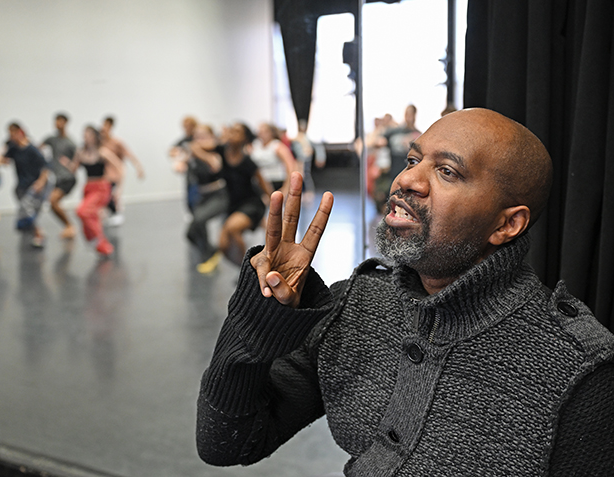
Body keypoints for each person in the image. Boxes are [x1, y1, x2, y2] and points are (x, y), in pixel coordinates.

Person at [196, 108, 614, 476]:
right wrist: (259, 318)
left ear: (507, 224)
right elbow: (228, 444)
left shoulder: (577, 367)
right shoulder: (358, 304)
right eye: (413, 159)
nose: (407, 178)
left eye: (447, 171)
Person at [193, 123, 271, 271]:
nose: (232, 133)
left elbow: (265, 185)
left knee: (232, 228)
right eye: (231, 130)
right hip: (233, 205)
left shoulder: (248, 162)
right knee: (222, 246)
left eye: (237, 132)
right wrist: (208, 158)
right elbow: (195, 147)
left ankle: (248, 270)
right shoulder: (221, 150)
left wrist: (273, 204)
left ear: (244, 139)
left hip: (251, 204)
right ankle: (246, 269)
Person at [0, 122, 50, 248]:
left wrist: (41, 182)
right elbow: (3, 160)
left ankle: (38, 235)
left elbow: (45, 167)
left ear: (20, 133)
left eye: (12, 134)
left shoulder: (32, 149)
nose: (10, 137)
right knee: (26, 211)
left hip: (34, 186)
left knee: (28, 211)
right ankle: (35, 233)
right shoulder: (13, 149)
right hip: (21, 186)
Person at [71, 126, 122, 256]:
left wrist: (117, 188)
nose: (86, 137)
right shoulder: (81, 152)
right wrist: (66, 164)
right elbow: (73, 169)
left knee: (82, 211)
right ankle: (98, 243)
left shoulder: (102, 152)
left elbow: (118, 166)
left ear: (95, 137)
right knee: (91, 215)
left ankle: (97, 240)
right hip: (88, 187)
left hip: (101, 187)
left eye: (89, 135)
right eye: (84, 135)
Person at [185, 124, 229, 272]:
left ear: (211, 137)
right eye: (196, 137)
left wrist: (196, 150)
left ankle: (209, 255)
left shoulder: (217, 153)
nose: (199, 140)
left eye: (203, 136)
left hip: (219, 195)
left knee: (199, 220)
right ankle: (211, 251)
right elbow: (178, 165)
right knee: (191, 233)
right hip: (201, 196)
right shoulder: (193, 155)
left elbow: (215, 165)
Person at [100, 116, 145, 226]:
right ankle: (110, 212)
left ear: (111, 127)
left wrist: (139, 168)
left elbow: (129, 155)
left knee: (114, 193)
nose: (104, 128)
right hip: (104, 174)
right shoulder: (100, 143)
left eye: (106, 125)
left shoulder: (117, 142)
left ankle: (117, 213)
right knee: (105, 193)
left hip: (116, 172)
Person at [39, 112, 78, 240]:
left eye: (60, 121)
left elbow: (78, 161)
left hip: (68, 178)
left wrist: (69, 164)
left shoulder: (70, 143)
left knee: (53, 201)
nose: (57, 124)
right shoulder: (52, 139)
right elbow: (38, 148)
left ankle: (70, 226)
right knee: (52, 203)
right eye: (56, 121)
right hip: (58, 178)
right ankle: (68, 226)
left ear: (66, 123)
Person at [377, 104, 421, 185]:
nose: (409, 117)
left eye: (411, 114)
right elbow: (381, 141)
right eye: (407, 114)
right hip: (393, 171)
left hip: (408, 172)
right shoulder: (394, 131)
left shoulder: (418, 135)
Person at [250, 122, 297, 194]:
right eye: (260, 132)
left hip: (276, 181)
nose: (262, 134)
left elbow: (290, 166)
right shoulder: (255, 145)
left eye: (265, 132)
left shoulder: (277, 146)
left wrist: (286, 188)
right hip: (259, 183)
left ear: (271, 133)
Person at [168, 116, 199, 212]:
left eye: (189, 126)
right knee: (189, 197)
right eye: (185, 126)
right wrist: (180, 155)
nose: (187, 128)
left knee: (197, 196)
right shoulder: (184, 140)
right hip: (190, 173)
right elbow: (171, 151)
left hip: (200, 172)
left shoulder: (199, 138)